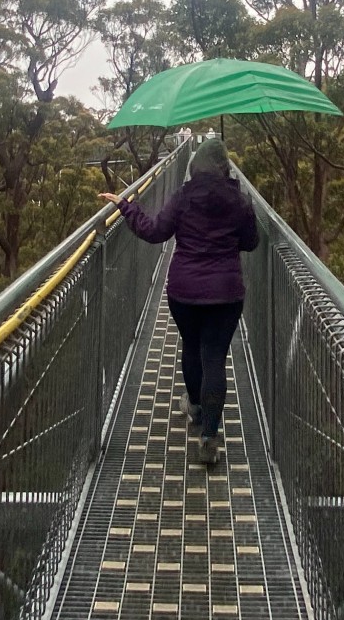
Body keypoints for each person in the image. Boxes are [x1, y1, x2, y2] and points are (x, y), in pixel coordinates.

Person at [99, 138, 259, 465]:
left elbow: (155, 231)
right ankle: (209, 436)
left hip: (184, 291)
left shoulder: (184, 196)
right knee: (214, 356)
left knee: (191, 347)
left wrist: (125, 205)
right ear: (225, 166)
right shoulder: (239, 200)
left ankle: (197, 409)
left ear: (193, 166)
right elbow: (251, 242)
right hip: (226, 293)